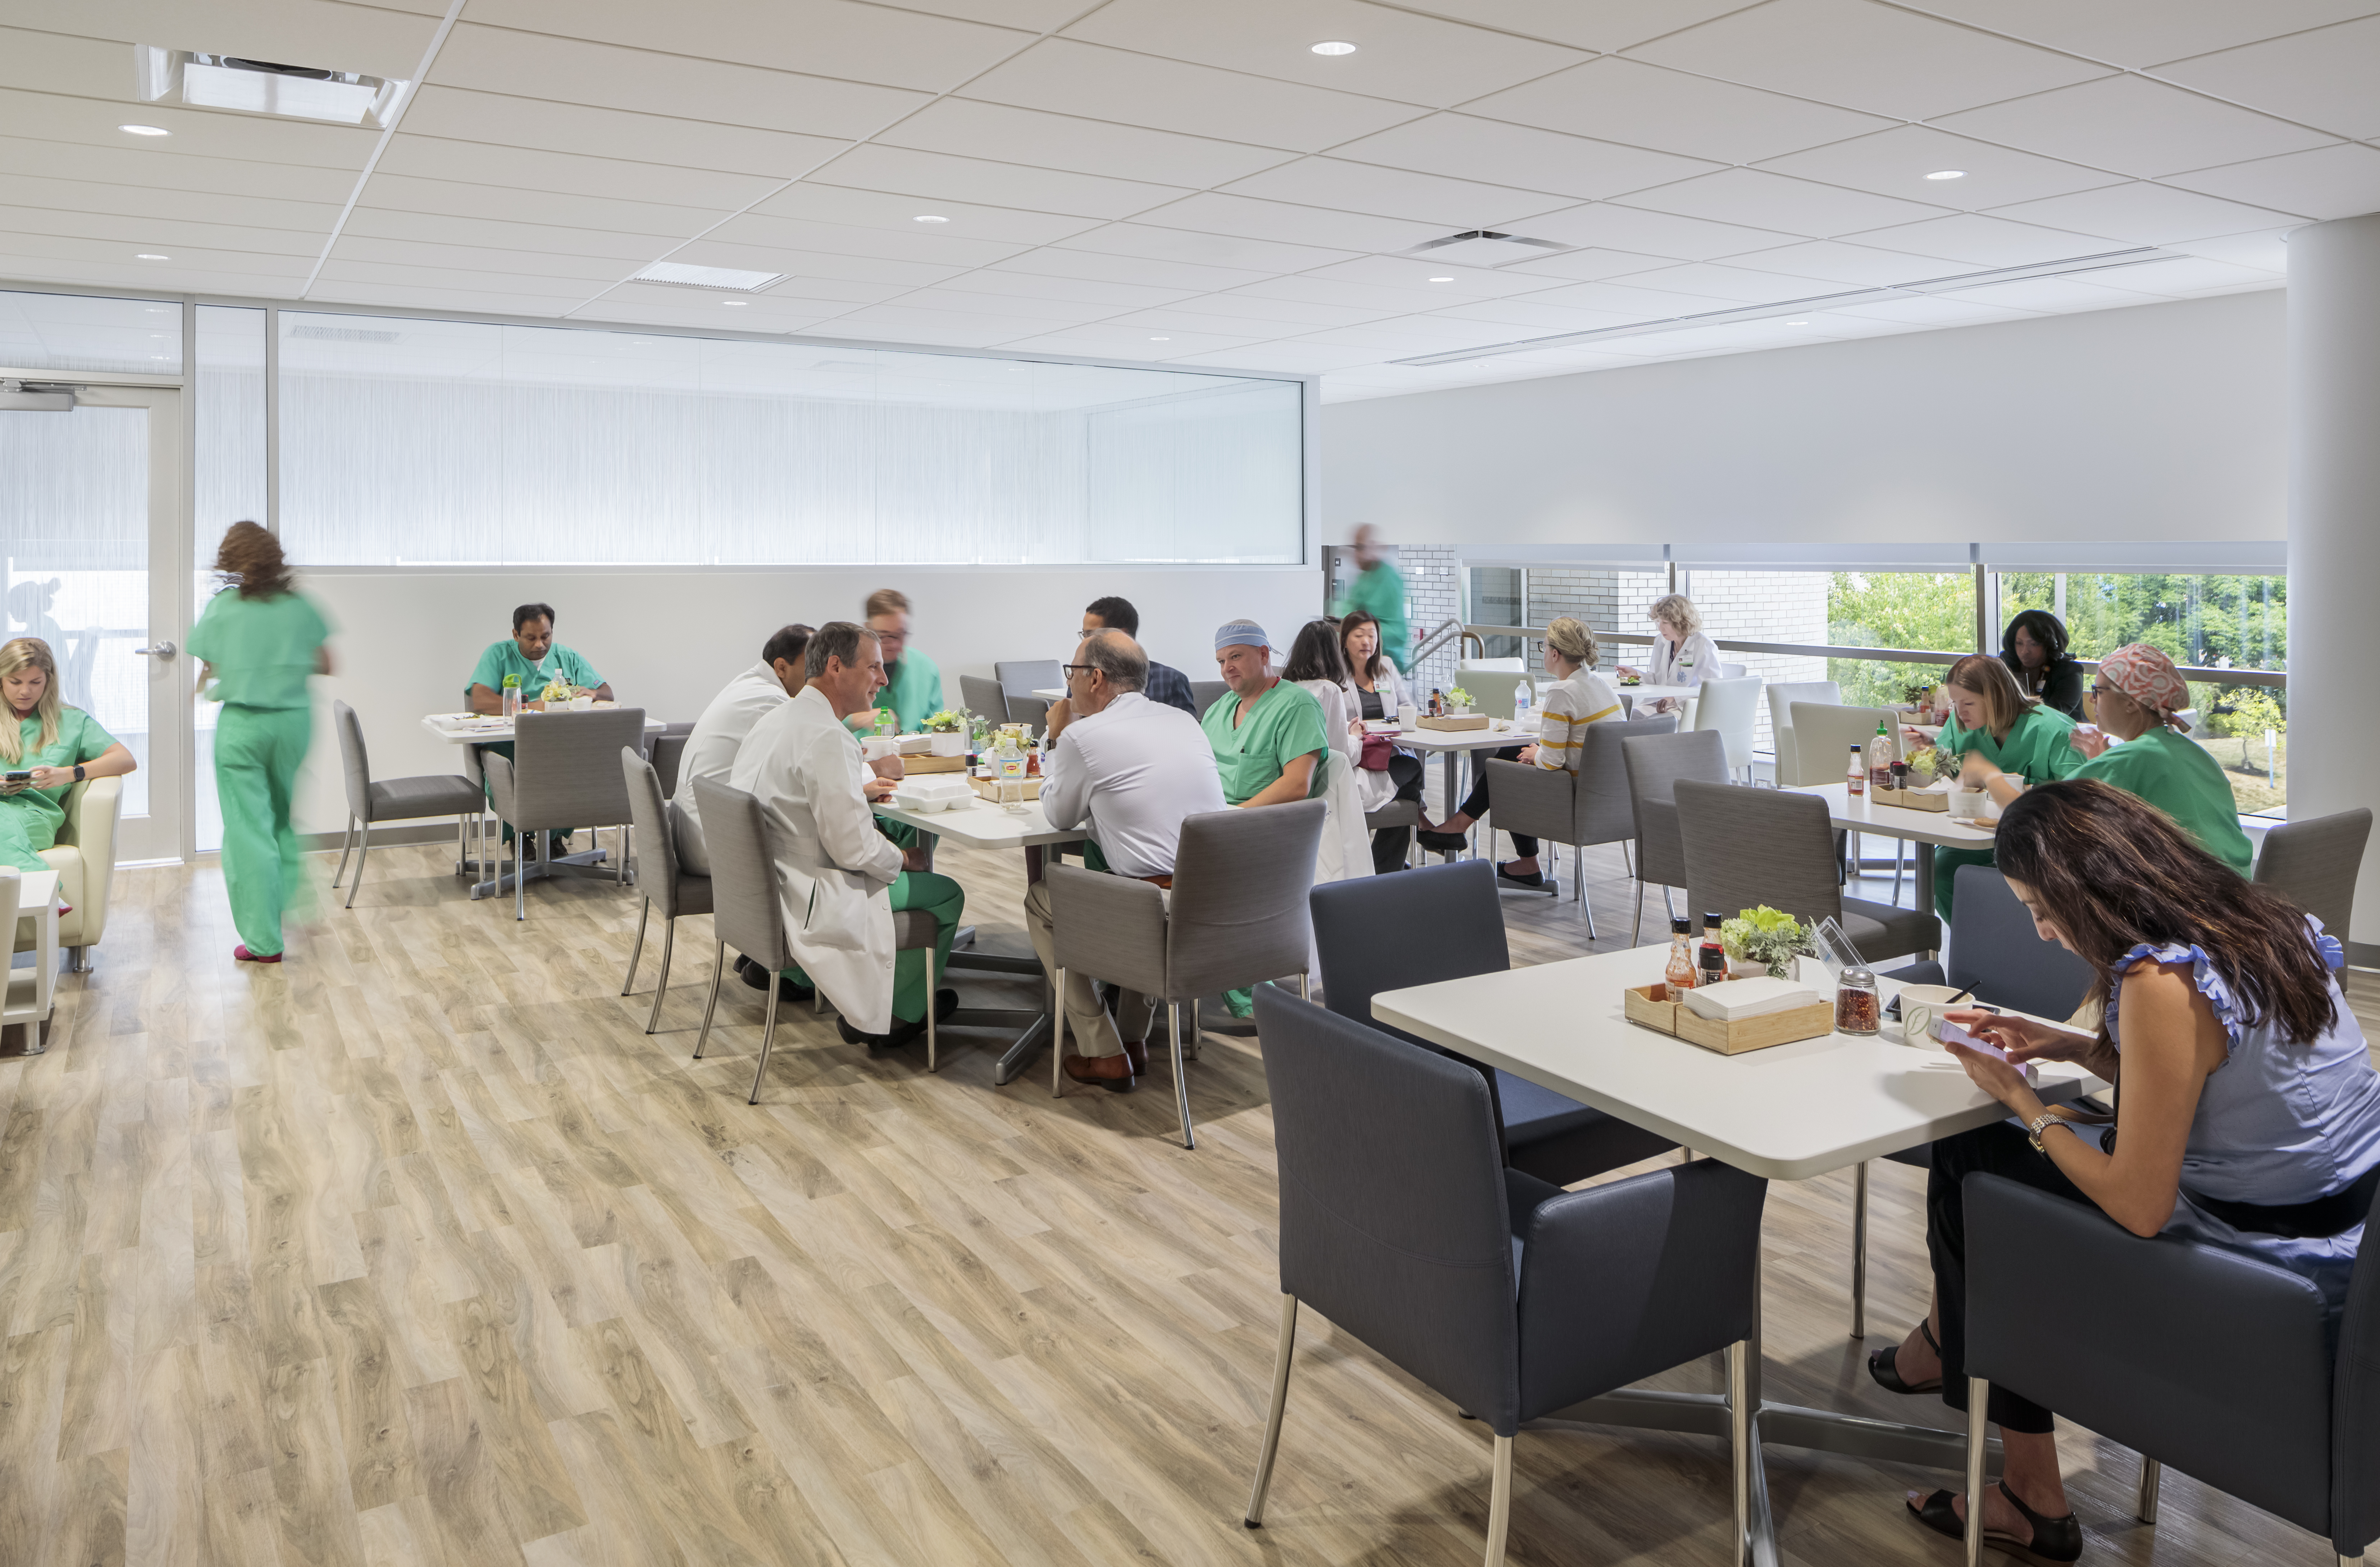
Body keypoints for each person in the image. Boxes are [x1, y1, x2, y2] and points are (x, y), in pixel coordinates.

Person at [1871, 779, 2380, 1565]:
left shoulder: (2157, 981)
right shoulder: (2266, 922)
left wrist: (2022, 1100)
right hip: (2344, 1218)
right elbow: (2219, 1068)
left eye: (2042, 911)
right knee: (2004, 1153)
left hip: (2260, 1248)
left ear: (2089, 889)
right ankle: (1949, 1339)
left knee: (1979, 1163)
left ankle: (2028, 1488)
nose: (2042, 934)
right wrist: (2065, 1045)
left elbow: (2141, 1208)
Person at [729, 622, 963, 1050]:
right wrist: (902, 859)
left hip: (768, 889)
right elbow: (853, 847)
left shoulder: (776, 719)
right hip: (811, 897)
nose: (884, 678)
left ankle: (886, 994)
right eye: (874, 667)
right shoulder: (826, 735)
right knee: (946, 892)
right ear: (836, 667)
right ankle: (893, 1015)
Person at [1030, 630, 1226, 1091]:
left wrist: (1056, 737)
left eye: (1073, 674)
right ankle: (1134, 1040)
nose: (1070, 684)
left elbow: (1059, 816)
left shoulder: (1082, 735)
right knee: (1132, 879)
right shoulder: (1184, 721)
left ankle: (1103, 1049)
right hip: (1214, 902)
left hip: (1151, 909)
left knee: (1043, 899)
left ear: (1095, 678)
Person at [1968, 642, 2254, 878]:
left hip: (2187, 903)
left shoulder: (2127, 760)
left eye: (2099, 692)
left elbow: (2032, 815)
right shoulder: (2192, 753)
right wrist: (2103, 763)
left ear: (2131, 702)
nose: (2091, 702)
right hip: (2233, 891)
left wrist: (1988, 773)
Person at [186, 522, 333, 964]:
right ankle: (293, 900)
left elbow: (208, 659)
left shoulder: (223, 608)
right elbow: (326, 662)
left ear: (229, 562)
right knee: (282, 820)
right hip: (293, 724)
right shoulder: (300, 606)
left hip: (243, 728)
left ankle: (264, 941)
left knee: (249, 832)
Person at [1418, 616, 1623, 890]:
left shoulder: (1562, 691)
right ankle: (1483, 840)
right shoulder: (1601, 685)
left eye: (1544, 646)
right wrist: (1536, 753)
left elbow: (1551, 762)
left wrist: (1537, 754)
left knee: (1504, 768)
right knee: (1515, 754)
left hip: (1571, 799)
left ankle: (1462, 828)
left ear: (1555, 653)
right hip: (1608, 798)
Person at [1202, 619, 1329, 1017]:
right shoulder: (1221, 708)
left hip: (1260, 833)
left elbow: (1296, 785)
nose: (1227, 669)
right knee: (1106, 850)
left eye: (1236, 657)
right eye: (1222, 661)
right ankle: (1122, 979)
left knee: (1192, 879)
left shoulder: (1296, 705)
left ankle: (1254, 999)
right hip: (1210, 823)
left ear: (1264, 655)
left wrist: (1231, 817)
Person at [1912, 653, 2082, 920]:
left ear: (1996, 696)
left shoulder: (2054, 730)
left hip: (2039, 843)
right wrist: (1932, 752)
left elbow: (2079, 799)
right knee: (1942, 871)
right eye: (1955, 703)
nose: (1960, 712)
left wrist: (2003, 782)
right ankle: (1973, 947)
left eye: (1968, 703)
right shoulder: (1961, 727)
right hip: (1975, 836)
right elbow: (1951, 773)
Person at [0, 637, 136, 877]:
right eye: (15, 682)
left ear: (49, 681)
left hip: (35, 815)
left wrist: (69, 774)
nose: (25, 691)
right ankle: (47, 893)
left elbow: (125, 759)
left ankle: (44, 892)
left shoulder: (72, 721)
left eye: (35, 682)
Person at [1281, 619, 1377, 887]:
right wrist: (1356, 737)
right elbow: (1340, 754)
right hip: (1326, 786)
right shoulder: (1329, 690)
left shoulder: (1286, 689)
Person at [1340, 610, 1423, 873]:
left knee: (1411, 774)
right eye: (1359, 635)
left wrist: (1394, 725)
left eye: (1372, 635)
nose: (1367, 642)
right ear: (1344, 641)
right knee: (1412, 781)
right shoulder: (1336, 675)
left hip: (1388, 752)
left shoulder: (1386, 667)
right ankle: (1425, 828)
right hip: (1358, 757)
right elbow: (1335, 720)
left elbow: (1408, 709)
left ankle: (1378, 871)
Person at [465, 602, 611, 714]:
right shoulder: (498, 654)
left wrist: (594, 693)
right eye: (531, 638)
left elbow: (608, 693)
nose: (539, 645)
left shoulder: (568, 657)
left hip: (561, 738)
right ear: (516, 635)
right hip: (511, 742)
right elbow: (481, 701)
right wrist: (534, 707)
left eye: (545, 637)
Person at [1081, 596, 1194, 716]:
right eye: (1084, 634)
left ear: (1121, 636)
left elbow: (1186, 731)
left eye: (1091, 635)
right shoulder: (1081, 679)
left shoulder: (1170, 681)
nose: (1084, 642)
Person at [1616, 593, 1719, 717]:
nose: (1660, 628)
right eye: (1658, 622)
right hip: (1657, 704)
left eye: (1665, 622)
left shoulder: (1704, 645)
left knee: (1647, 726)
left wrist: (1675, 697)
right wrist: (1635, 676)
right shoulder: (1661, 641)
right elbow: (1656, 679)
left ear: (1682, 622)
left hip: (1684, 708)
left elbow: (1712, 689)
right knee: (1626, 718)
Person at [863, 588, 943, 733]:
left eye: (901, 634)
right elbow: (828, 722)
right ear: (868, 630)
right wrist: (858, 719)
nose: (895, 644)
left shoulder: (926, 669)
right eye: (885, 636)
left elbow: (938, 729)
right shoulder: (847, 669)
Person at [1331, 524, 1409, 672]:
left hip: (1383, 664)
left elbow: (1398, 634)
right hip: (1358, 664)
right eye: (1354, 548)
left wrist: (1357, 631)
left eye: (1361, 548)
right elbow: (1350, 611)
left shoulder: (1389, 580)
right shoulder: (1363, 578)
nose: (1357, 555)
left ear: (1376, 547)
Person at [2001, 608, 2086, 720]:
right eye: (2019, 643)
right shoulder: (2006, 665)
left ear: (2050, 645)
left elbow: (2052, 716)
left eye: (2034, 644)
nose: (2025, 651)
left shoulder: (2069, 672)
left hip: (2066, 734)